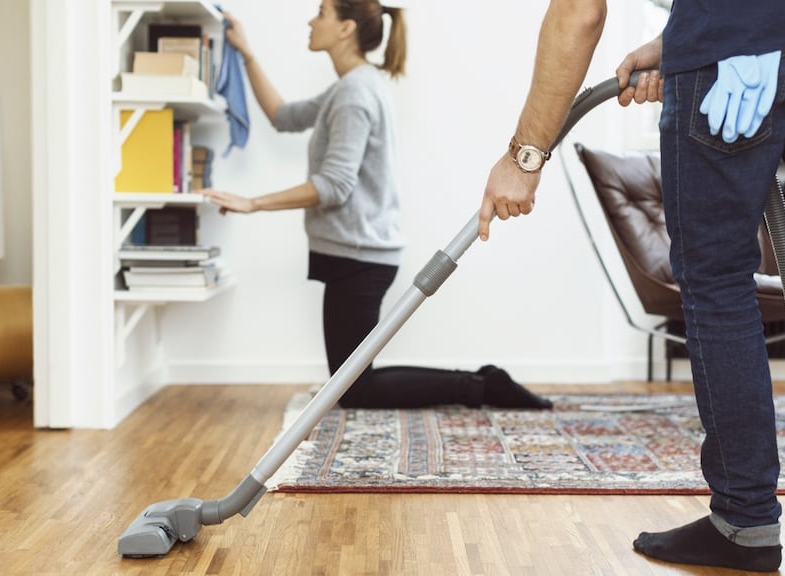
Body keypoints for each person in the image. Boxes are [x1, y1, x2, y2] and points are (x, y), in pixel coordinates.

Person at [480, 0, 785, 572]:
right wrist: (682, 38)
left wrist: (524, 156)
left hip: (732, 39)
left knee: (716, 278)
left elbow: (578, 12)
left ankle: (746, 521)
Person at [201, 2, 551, 410]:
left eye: (321, 14)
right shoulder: (349, 87)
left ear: (346, 27)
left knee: (352, 388)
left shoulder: (355, 93)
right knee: (349, 383)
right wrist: (246, 52)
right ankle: (481, 384)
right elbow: (283, 116)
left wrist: (253, 203)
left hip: (359, 257)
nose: (311, 22)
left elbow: (335, 185)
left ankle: (482, 387)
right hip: (352, 252)